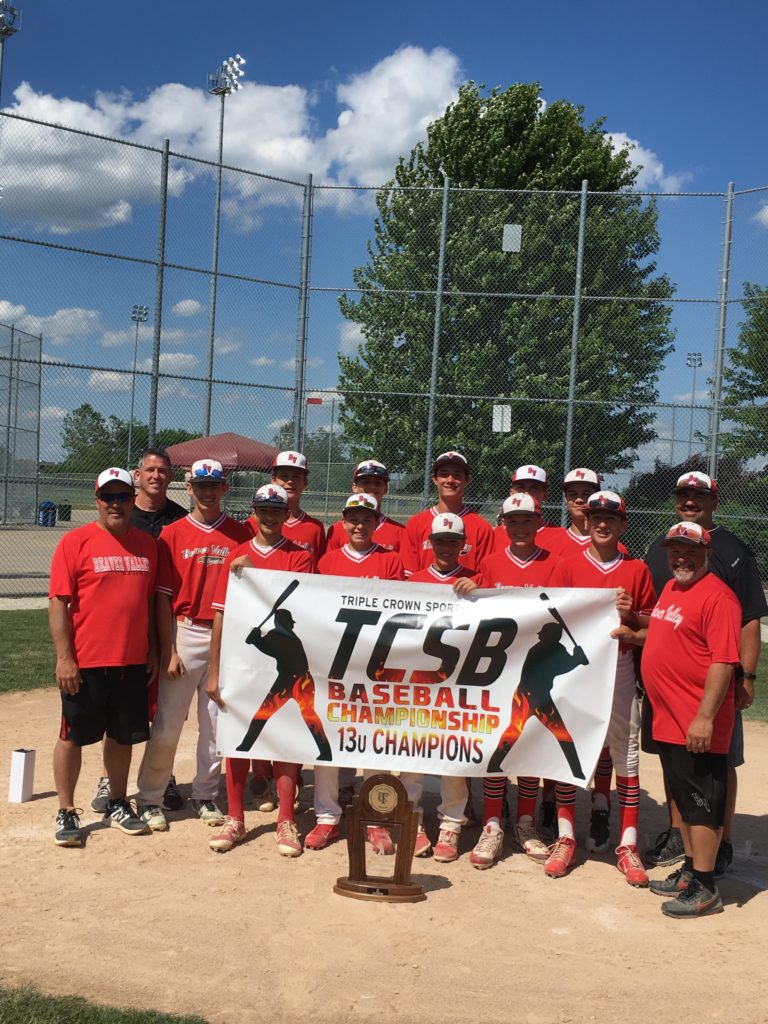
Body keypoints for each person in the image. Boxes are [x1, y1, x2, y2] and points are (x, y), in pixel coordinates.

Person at [643, 471, 767, 877]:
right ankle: (683, 840)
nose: (690, 500)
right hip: (667, 699)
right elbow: (662, 617)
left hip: (704, 694)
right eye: (683, 494)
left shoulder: (731, 554)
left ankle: (719, 845)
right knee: (676, 766)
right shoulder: (660, 552)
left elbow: (748, 621)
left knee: (712, 770)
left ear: (715, 500)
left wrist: (746, 677)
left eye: (699, 495)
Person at [133, 458, 250, 832]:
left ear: (225, 488)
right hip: (184, 631)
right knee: (167, 723)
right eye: (201, 485)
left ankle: (204, 794)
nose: (208, 491)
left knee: (215, 724)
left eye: (214, 484)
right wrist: (169, 649)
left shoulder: (239, 534)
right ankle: (150, 798)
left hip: (226, 635)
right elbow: (163, 597)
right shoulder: (173, 532)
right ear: (190, 488)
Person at [545, 490, 656, 884]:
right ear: (586, 523)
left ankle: (627, 843)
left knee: (624, 754)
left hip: (619, 666)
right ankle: (565, 836)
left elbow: (650, 625)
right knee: (566, 751)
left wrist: (631, 617)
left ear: (623, 524)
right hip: (576, 673)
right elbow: (550, 620)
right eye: (595, 518)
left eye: (611, 518)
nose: (602, 523)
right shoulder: (567, 565)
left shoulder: (636, 569)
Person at [49, 467, 157, 846]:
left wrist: (154, 651)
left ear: (133, 500)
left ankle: (116, 801)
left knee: (122, 737)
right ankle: (66, 810)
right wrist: (65, 657)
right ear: (97, 500)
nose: (116, 504)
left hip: (131, 660)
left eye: (123, 497)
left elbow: (148, 604)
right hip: (86, 662)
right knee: (73, 737)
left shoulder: (147, 544)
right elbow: (58, 604)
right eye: (108, 497)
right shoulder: (75, 542)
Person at [206, 484, 314, 858]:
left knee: (286, 734)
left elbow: (299, 604)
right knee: (239, 734)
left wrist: (256, 578)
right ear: (254, 513)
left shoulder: (299, 557)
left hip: (284, 664)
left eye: (277, 510)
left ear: (287, 515)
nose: (270, 517)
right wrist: (214, 670)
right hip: (242, 662)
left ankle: (286, 818)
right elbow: (220, 614)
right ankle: (235, 817)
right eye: (263, 510)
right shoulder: (236, 556)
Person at [454, 493, 559, 869]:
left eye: (526, 520)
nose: (519, 527)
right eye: (512, 521)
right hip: (499, 671)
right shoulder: (492, 562)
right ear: (504, 524)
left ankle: (526, 823)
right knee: (499, 743)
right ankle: (493, 824)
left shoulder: (554, 564)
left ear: (538, 521)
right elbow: (478, 601)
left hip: (537, 669)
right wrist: (470, 586)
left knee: (530, 746)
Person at [642, 521, 741, 917]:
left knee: (702, 804)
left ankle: (706, 886)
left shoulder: (718, 597)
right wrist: (631, 630)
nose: (680, 556)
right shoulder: (672, 588)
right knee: (683, 801)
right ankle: (689, 870)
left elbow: (723, 661)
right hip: (668, 717)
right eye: (675, 550)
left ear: (706, 553)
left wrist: (704, 718)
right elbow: (666, 637)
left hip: (694, 722)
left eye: (690, 550)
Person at [91, 446, 188, 816]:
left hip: (165, 623)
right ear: (138, 475)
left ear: (171, 477)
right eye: (150, 470)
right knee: (119, 707)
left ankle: (164, 777)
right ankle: (107, 779)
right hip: (125, 629)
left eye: (163, 471)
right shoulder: (123, 515)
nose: (156, 476)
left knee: (165, 709)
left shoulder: (179, 519)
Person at [307, 493, 406, 853]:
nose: (359, 525)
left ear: (377, 522)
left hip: (377, 664)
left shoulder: (391, 561)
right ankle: (327, 818)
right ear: (342, 522)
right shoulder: (328, 562)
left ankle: (376, 818)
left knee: (374, 741)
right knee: (328, 737)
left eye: (367, 519)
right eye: (353, 519)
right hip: (335, 664)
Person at [247, 450, 325, 811]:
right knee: (256, 700)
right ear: (273, 478)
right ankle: (259, 770)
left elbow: (314, 587)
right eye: (283, 474)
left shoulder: (313, 529)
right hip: (255, 622)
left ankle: (302, 769)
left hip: (294, 645)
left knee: (302, 716)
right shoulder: (253, 523)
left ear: (305, 482)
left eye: (296, 475)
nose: (289, 480)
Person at [401, 512, 478, 862]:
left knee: (454, 753)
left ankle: (451, 824)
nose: (446, 547)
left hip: (459, 684)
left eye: (453, 541)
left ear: (463, 545)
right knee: (411, 751)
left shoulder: (476, 581)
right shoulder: (412, 580)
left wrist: (480, 594)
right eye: (440, 540)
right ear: (428, 544)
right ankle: (411, 819)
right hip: (419, 680)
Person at [402, 451, 493, 576]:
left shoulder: (482, 528)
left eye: (457, 475)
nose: (450, 480)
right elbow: (408, 576)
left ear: (467, 480)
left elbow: (484, 577)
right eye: (444, 474)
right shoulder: (416, 524)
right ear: (434, 479)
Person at [326, 459, 405, 553]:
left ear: (386, 488)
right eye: (366, 482)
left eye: (378, 483)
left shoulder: (400, 532)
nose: (372, 487)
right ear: (354, 487)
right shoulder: (337, 529)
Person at [491, 465, 561, 553]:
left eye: (534, 488)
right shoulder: (493, 535)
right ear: (511, 492)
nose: (527, 493)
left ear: (545, 495)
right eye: (521, 487)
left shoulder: (559, 536)